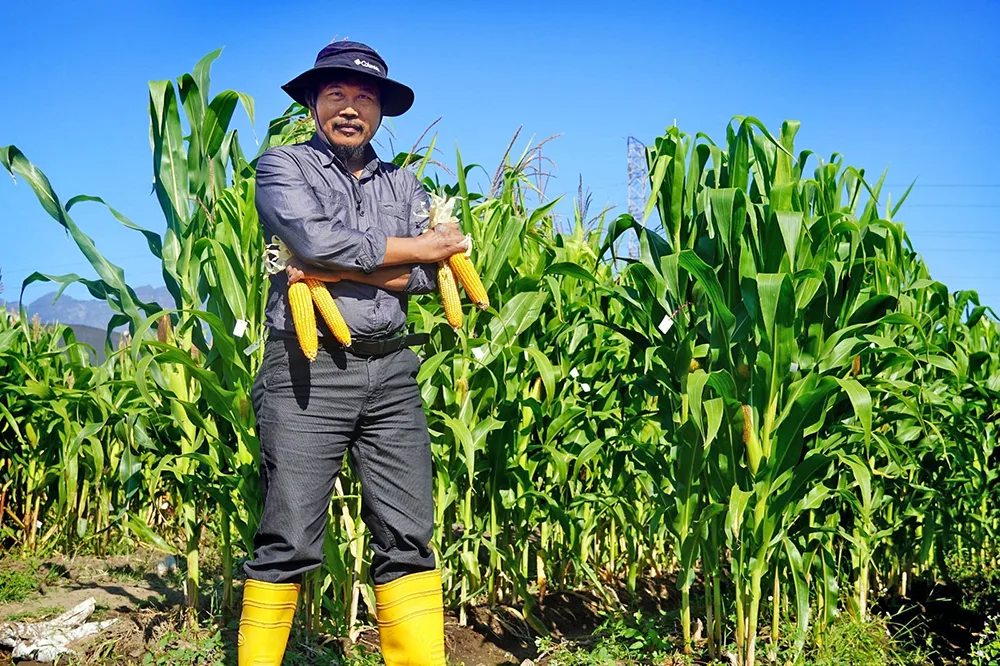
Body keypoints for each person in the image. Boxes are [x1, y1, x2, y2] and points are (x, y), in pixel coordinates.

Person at [237, 39, 467, 666]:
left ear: (381, 112)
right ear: (313, 101)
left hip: (392, 370)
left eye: (364, 97)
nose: (349, 107)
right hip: (308, 368)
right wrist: (418, 249)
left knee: (409, 537)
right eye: (336, 93)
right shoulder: (281, 168)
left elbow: (420, 279)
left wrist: (337, 265)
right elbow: (316, 242)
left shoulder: (406, 183)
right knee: (287, 537)